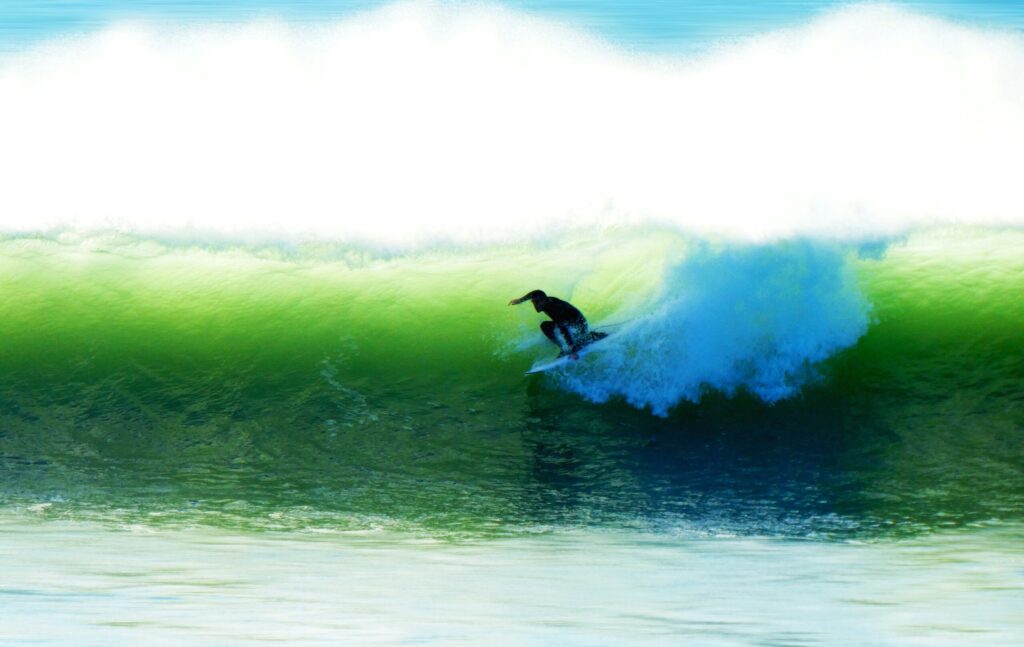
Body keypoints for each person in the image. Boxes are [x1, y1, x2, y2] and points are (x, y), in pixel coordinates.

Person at [508, 290, 606, 358]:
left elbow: (563, 328)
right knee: (547, 326)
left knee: (545, 326)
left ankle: (585, 340)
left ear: (542, 300)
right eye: (533, 302)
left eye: (536, 302)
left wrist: (571, 349)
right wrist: (520, 300)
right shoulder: (545, 300)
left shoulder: (553, 308)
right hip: (575, 323)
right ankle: (588, 337)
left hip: (579, 325)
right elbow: (535, 293)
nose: (535, 305)